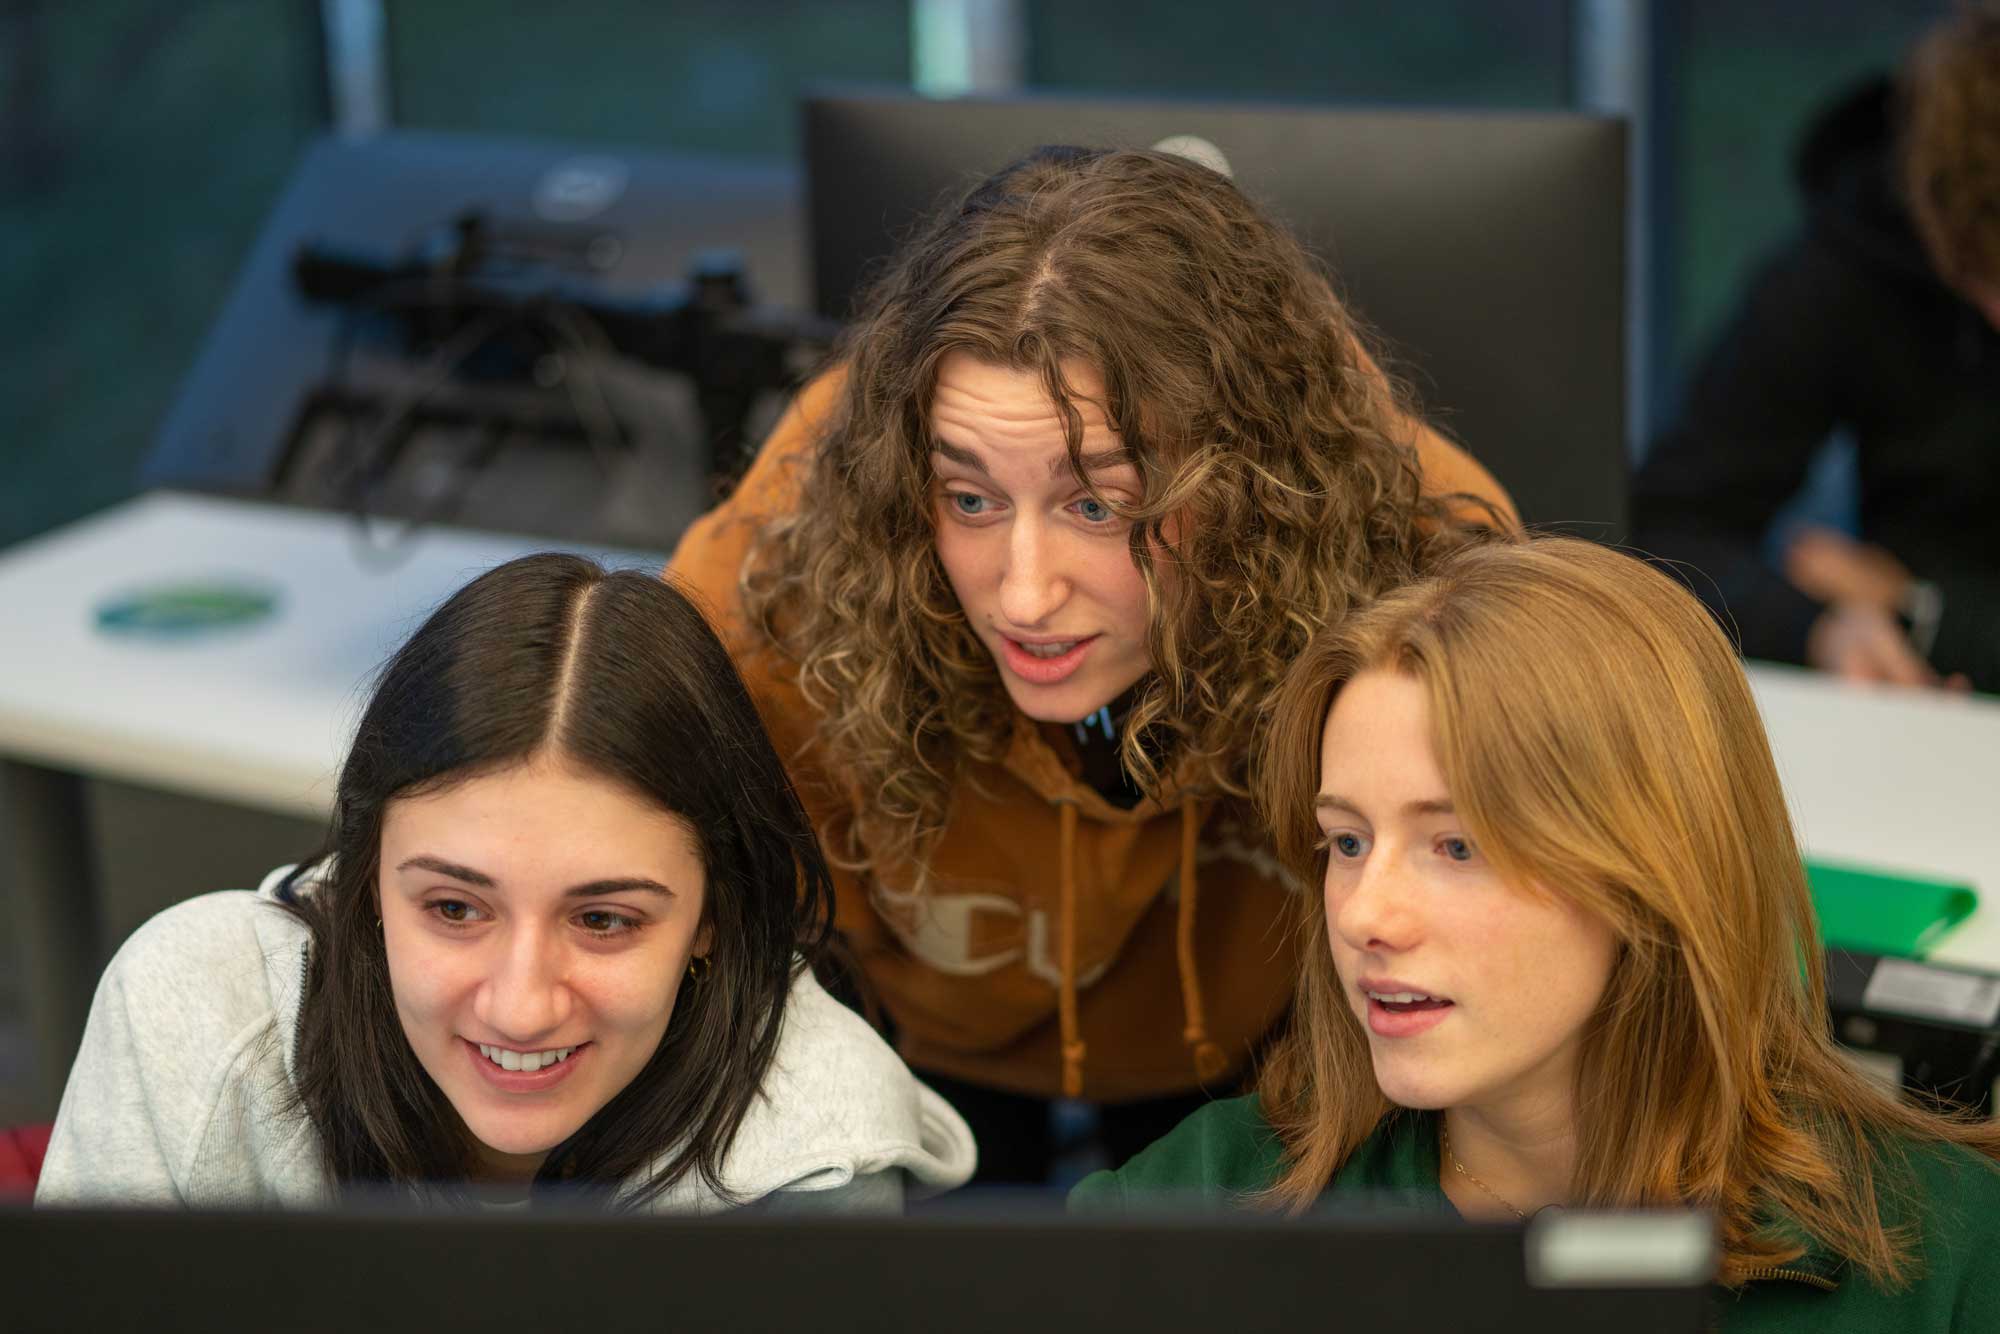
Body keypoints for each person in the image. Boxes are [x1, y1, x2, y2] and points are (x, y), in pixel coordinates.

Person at [668, 144, 1515, 1181]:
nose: (1022, 594)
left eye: (1097, 504)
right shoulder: (781, 574)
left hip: (1274, 1036)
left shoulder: (1410, 553)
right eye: (968, 498)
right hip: (921, 1043)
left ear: (1246, 482)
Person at [1071, 537, 2000, 1328]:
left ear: (1654, 870)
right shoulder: (1195, 1203)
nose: (1362, 915)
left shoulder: (1948, 1257)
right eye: (1345, 840)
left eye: (1459, 845)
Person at [35, 553, 975, 1210]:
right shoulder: (195, 1013)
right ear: (365, 882)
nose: (521, 1007)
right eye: (453, 908)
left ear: (712, 919)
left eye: (604, 920)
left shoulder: (815, 1149)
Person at [1632, 4, 2000, 691]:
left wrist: (1922, 609)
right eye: (1986, 276)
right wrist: (1820, 628)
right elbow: (1667, 533)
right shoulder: (1853, 265)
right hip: (1932, 721)